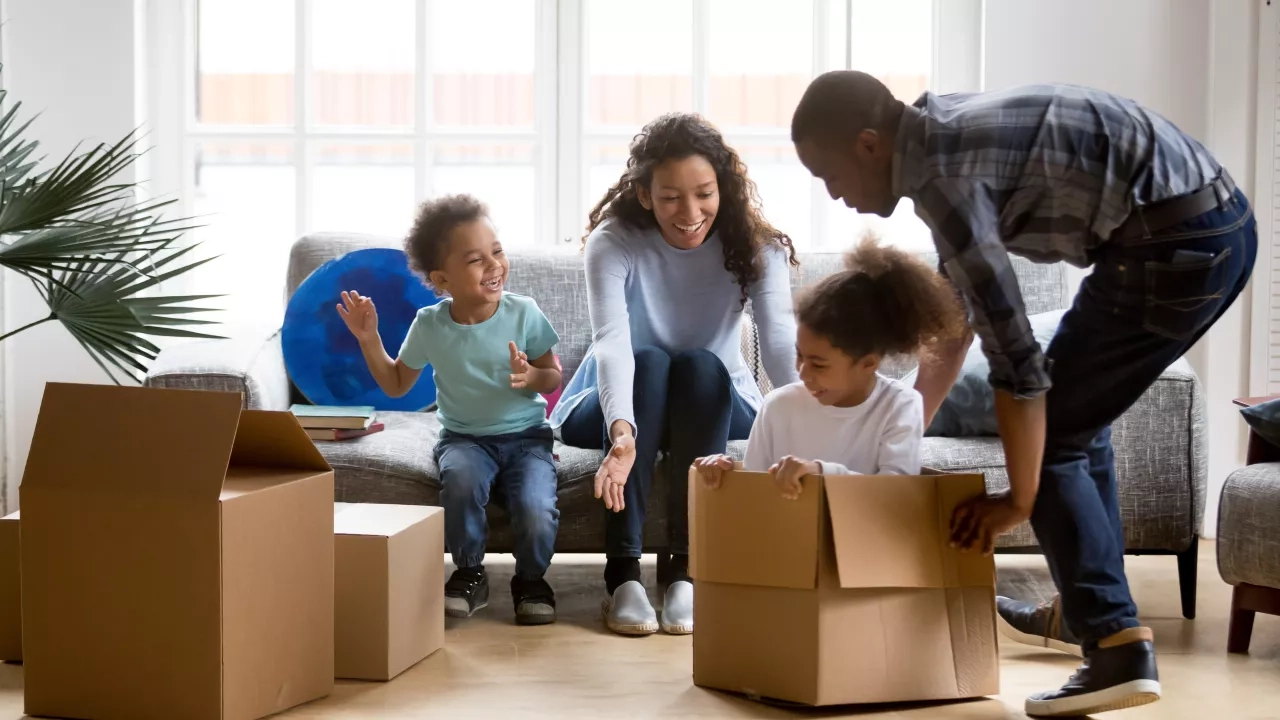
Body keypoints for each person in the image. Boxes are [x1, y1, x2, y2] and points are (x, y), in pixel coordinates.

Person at [790, 71, 1256, 717]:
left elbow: (1019, 367)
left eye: (829, 175)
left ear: (869, 144)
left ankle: (1116, 645)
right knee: (1077, 418)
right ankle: (1092, 610)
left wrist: (1019, 500)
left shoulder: (943, 181)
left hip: (1176, 242)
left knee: (1058, 422)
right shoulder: (937, 129)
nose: (834, 195)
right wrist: (899, 432)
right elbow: (954, 326)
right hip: (1204, 225)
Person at [550, 112, 801, 636]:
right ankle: (624, 578)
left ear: (723, 188)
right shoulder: (613, 241)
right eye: (670, 197)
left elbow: (779, 344)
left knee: (699, 366)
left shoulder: (758, 247)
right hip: (612, 402)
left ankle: (686, 574)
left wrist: (812, 421)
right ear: (644, 194)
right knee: (651, 361)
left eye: (704, 193)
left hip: (711, 400)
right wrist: (621, 433)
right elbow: (613, 344)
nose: (690, 213)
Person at [337, 194, 563, 626]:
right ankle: (470, 573)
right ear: (442, 279)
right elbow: (398, 384)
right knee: (460, 483)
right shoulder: (430, 324)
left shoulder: (524, 313)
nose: (495, 265)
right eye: (477, 259)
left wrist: (532, 378)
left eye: (497, 251)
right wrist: (369, 339)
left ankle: (532, 580)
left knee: (536, 506)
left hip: (528, 437)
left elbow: (552, 376)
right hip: (465, 439)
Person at [694, 235, 965, 493]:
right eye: (800, 355)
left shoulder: (901, 406)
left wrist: (822, 473)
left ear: (868, 363)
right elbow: (755, 493)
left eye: (819, 364)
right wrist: (724, 474)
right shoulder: (778, 406)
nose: (802, 372)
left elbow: (895, 494)